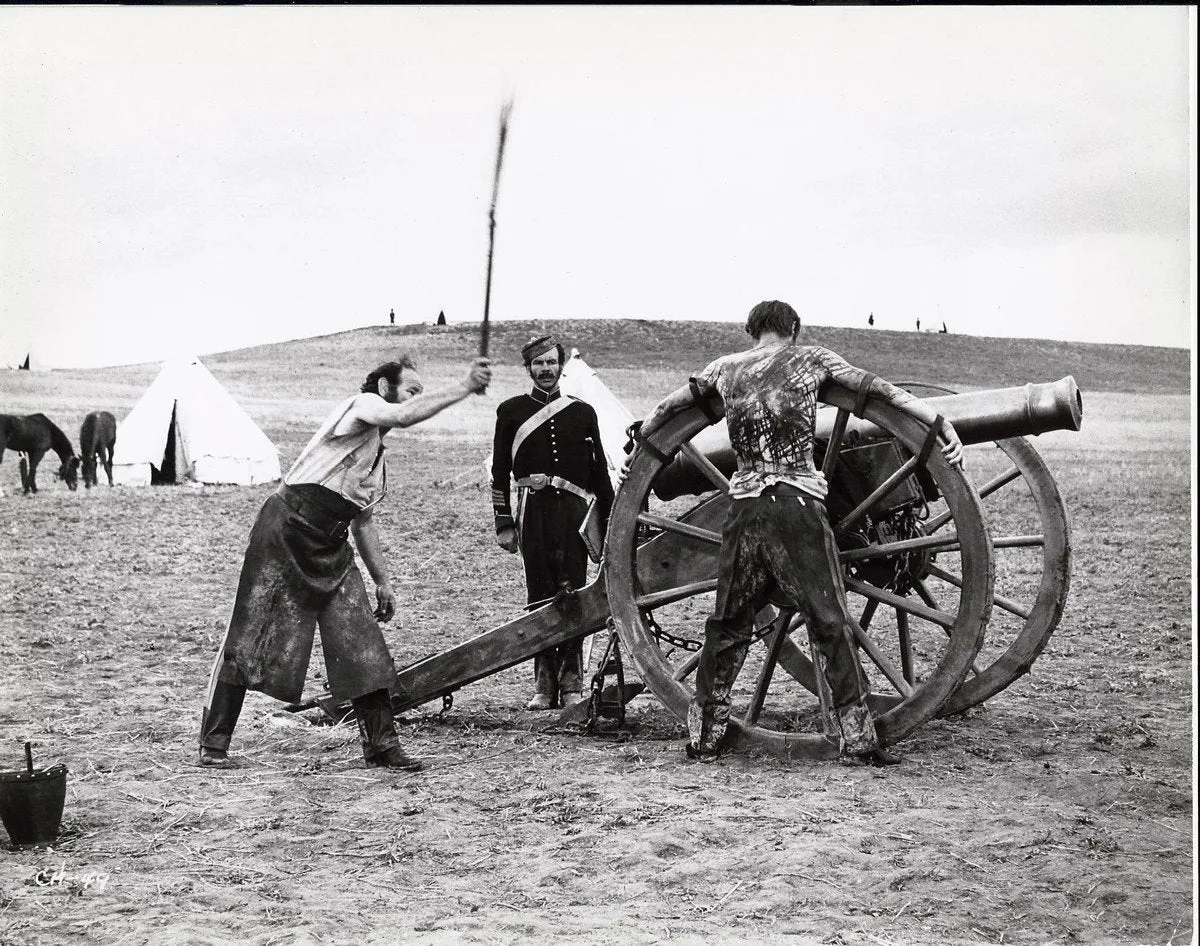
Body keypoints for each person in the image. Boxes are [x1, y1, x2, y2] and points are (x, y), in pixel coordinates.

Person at [631, 300, 963, 765]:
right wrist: (939, 423)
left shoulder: (726, 369)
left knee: (728, 622)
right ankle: (857, 739)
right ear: (794, 328)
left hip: (744, 507)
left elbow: (670, 407)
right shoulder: (812, 358)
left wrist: (640, 445)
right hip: (797, 504)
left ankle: (704, 736)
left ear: (752, 330)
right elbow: (883, 393)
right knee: (829, 620)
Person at [199, 354, 493, 771]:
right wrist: (464, 386)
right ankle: (214, 746)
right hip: (286, 531)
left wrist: (382, 581)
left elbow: (364, 522)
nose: (415, 398)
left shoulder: (378, 458)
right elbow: (405, 416)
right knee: (252, 632)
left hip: (332, 545)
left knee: (361, 641)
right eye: (411, 389)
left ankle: (382, 746)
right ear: (384, 389)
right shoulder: (361, 407)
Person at [491, 335, 614, 710]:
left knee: (573, 593)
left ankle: (572, 682)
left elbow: (599, 475)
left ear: (561, 366)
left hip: (573, 513)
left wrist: (609, 525)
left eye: (551, 362)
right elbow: (499, 473)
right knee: (539, 595)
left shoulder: (582, 412)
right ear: (527, 369)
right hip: (533, 511)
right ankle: (544, 685)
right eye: (538, 364)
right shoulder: (510, 411)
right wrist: (504, 523)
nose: (545, 369)